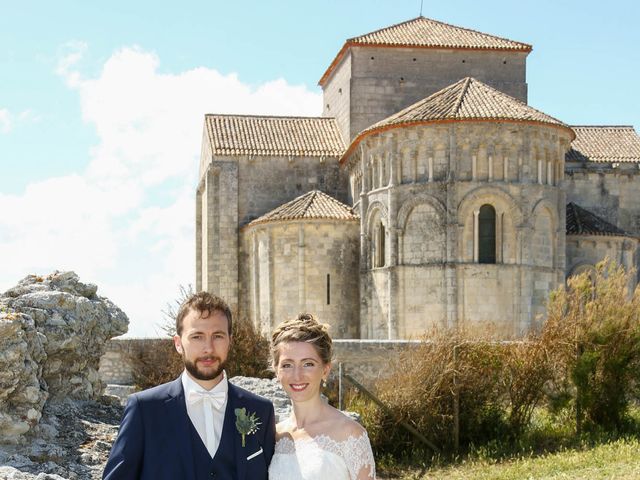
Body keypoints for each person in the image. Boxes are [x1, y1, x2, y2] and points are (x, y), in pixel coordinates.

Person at [103, 292, 276, 480]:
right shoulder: (144, 409)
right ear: (178, 343)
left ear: (230, 341)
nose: (208, 348)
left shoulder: (261, 410)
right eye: (197, 337)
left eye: (217, 336)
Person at [268, 313, 376, 480]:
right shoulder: (274, 435)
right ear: (276, 370)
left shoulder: (350, 434)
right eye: (287, 365)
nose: (297, 375)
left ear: (325, 370)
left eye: (308, 364)